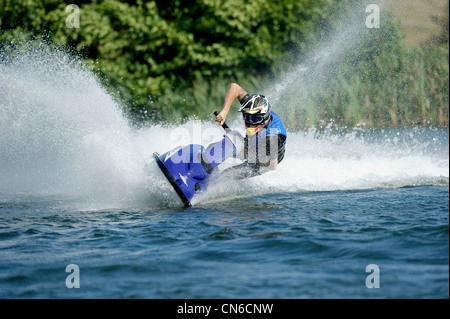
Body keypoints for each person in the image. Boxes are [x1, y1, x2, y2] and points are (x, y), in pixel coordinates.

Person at [215, 83, 287, 179]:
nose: (250, 122)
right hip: (255, 143)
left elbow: (272, 166)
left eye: (255, 119)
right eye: (246, 117)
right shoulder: (253, 108)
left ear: (264, 118)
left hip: (266, 160)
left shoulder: (272, 138)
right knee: (225, 146)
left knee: (227, 175)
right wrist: (224, 112)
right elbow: (235, 87)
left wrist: (246, 154)